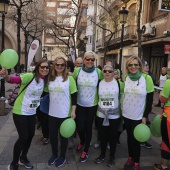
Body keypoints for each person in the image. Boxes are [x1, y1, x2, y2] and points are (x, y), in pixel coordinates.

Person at [0, 59, 50, 170]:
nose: (45, 69)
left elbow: (50, 90)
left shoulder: (45, 81)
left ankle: (23, 158)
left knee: (30, 135)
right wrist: (6, 76)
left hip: (32, 112)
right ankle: (13, 163)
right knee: (23, 137)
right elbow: (13, 80)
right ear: (38, 68)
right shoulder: (30, 76)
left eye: (47, 67)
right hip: (20, 111)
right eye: (42, 67)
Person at [122, 56, 154, 170]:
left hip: (139, 115)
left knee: (135, 140)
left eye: (136, 64)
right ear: (127, 67)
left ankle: (136, 161)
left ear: (140, 66)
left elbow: (150, 100)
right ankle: (130, 157)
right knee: (129, 139)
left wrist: (145, 116)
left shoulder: (147, 78)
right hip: (126, 113)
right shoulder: (126, 78)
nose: (133, 67)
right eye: (130, 65)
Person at [72, 51, 103, 163]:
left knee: (88, 127)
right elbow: (72, 85)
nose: (90, 61)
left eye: (92, 59)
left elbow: (106, 82)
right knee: (80, 127)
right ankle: (82, 141)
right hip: (79, 104)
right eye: (87, 59)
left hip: (92, 105)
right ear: (84, 60)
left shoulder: (98, 72)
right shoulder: (77, 71)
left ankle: (86, 150)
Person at [46, 56, 77, 167]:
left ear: (65, 66)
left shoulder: (70, 79)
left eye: (62, 65)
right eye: (57, 64)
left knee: (63, 136)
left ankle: (62, 156)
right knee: (53, 136)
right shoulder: (50, 78)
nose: (59, 66)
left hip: (65, 113)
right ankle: (54, 154)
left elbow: (74, 96)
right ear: (54, 66)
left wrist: (73, 111)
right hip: (52, 113)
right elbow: (44, 91)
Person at [94, 64, 123, 167]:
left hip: (114, 115)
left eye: (109, 71)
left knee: (112, 136)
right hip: (101, 114)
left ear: (113, 73)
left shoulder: (118, 84)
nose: (107, 73)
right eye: (105, 71)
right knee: (102, 136)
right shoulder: (99, 83)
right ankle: (102, 155)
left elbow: (122, 97)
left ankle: (112, 157)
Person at [154, 79, 170, 170]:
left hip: (169, 118)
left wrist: (160, 94)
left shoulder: (169, 82)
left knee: (166, 141)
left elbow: (163, 99)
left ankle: (163, 165)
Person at [140, 59, 154, 149]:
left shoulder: (147, 77)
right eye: (145, 65)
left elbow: (150, 98)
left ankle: (142, 140)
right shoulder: (143, 77)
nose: (147, 67)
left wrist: (147, 111)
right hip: (137, 108)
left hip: (144, 107)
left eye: (148, 65)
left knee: (143, 124)